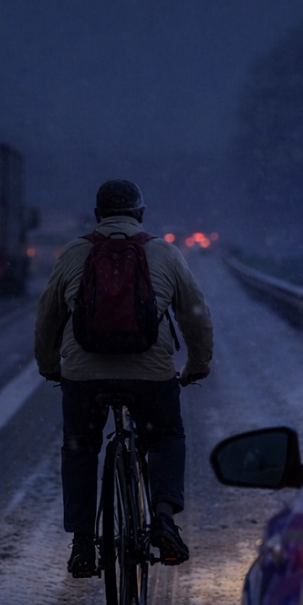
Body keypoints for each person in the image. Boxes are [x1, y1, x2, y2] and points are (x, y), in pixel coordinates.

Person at [34, 179, 215, 577]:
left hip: (85, 378)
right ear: (141, 214)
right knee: (166, 436)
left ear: (97, 216)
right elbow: (195, 314)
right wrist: (197, 363)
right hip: (150, 375)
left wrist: (50, 365)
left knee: (79, 447)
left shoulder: (75, 253)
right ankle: (164, 518)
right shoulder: (164, 253)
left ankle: (83, 543)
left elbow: (48, 316)